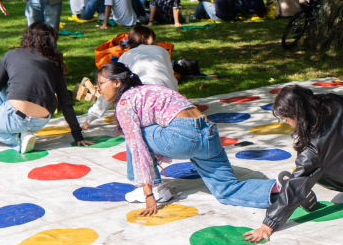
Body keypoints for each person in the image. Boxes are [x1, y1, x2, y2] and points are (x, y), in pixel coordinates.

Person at [99, 63, 277, 215]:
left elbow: (138, 148)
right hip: (209, 134)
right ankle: (281, 188)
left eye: (100, 83)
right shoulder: (151, 89)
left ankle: (150, 187)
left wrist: (148, 195)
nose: (98, 89)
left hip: (183, 138)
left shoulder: (124, 102)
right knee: (226, 190)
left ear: (116, 82)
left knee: (134, 136)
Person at [242, 85, 343, 243]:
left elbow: (296, 187)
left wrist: (268, 225)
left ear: (297, 117)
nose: (286, 123)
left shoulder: (310, 151)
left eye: (286, 119)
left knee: (309, 171)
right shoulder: (334, 101)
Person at [0, 22, 92, 154]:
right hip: (40, 120)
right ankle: (23, 132)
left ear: (26, 37)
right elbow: (65, 102)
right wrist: (77, 135)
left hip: (15, 114)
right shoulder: (54, 63)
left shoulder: (11, 55)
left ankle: (16, 139)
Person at [84, 26, 177, 129]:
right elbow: (171, 79)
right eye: (154, 38)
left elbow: (110, 88)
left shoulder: (125, 56)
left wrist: (91, 116)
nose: (156, 41)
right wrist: (177, 102)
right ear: (145, 37)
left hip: (140, 104)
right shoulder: (162, 51)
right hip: (164, 99)